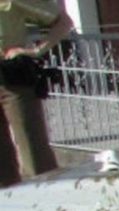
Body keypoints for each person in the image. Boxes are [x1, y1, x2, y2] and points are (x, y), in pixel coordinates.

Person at [1, 1, 73, 186]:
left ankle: (51, 202)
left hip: (12, 80)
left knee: (34, 154)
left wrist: (36, 50)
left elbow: (64, 22)